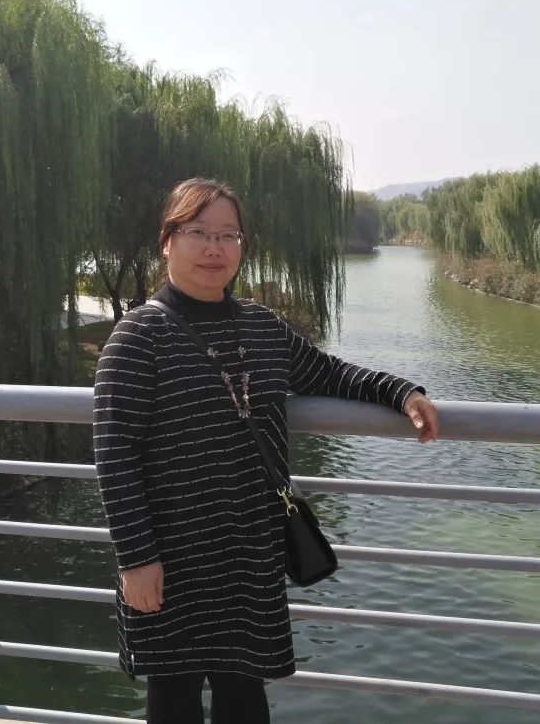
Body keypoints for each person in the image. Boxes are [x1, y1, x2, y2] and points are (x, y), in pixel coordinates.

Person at [93, 177, 439, 724]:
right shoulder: (138, 337)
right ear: (167, 241)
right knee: (173, 698)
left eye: (228, 235)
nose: (214, 248)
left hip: (249, 550)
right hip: (170, 557)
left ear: (242, 245)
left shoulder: (260, 327)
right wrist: (137, 559)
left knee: (245, 698)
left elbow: (329, 373)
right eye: (198, 233)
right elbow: (115, 457)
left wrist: (401, 393)